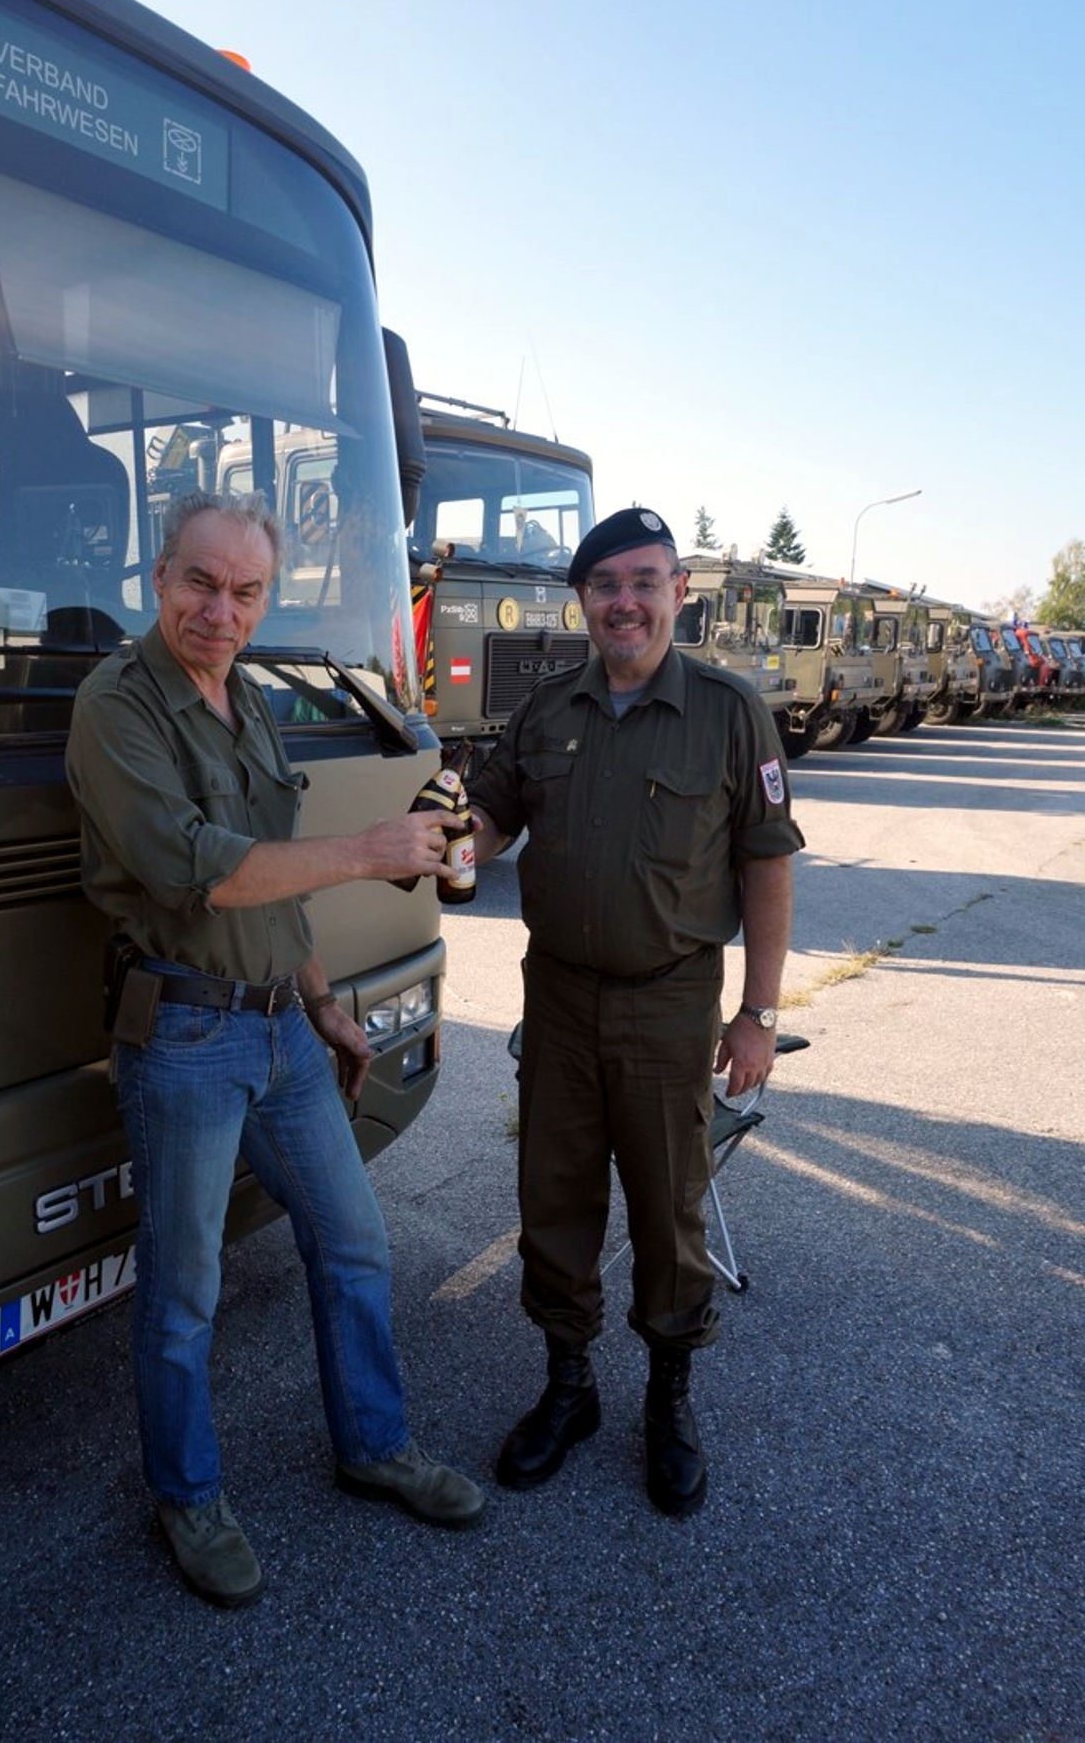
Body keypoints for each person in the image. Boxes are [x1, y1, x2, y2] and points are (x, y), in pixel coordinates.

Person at [66, 489, 484, 1610]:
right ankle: (188, 1495)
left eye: (247, 590)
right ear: (159, 580)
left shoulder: (245, 696)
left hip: (279, 1025)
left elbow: (275, 879)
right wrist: (376, 848)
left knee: (353, 1240)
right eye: (202, 583)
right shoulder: (117, 706)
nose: (222, 610)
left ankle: (374, 1444)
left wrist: (325, 1004)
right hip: (188, 1034)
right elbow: (204, 867)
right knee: (185, 1285)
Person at [469, 506, 804, 1518]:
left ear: (676, 594)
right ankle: (568, 1389)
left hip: (671, 1007)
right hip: (560, 1002)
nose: (625, 600)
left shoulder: (728, 710)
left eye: (645, 581)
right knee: (555, 1203)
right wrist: (438, 842)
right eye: (606, 583)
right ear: (583, 599)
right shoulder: (546, 709)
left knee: (669, 1213)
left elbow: (767, 860)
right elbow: (487, 816)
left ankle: (669, 1400)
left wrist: (757, 1013)